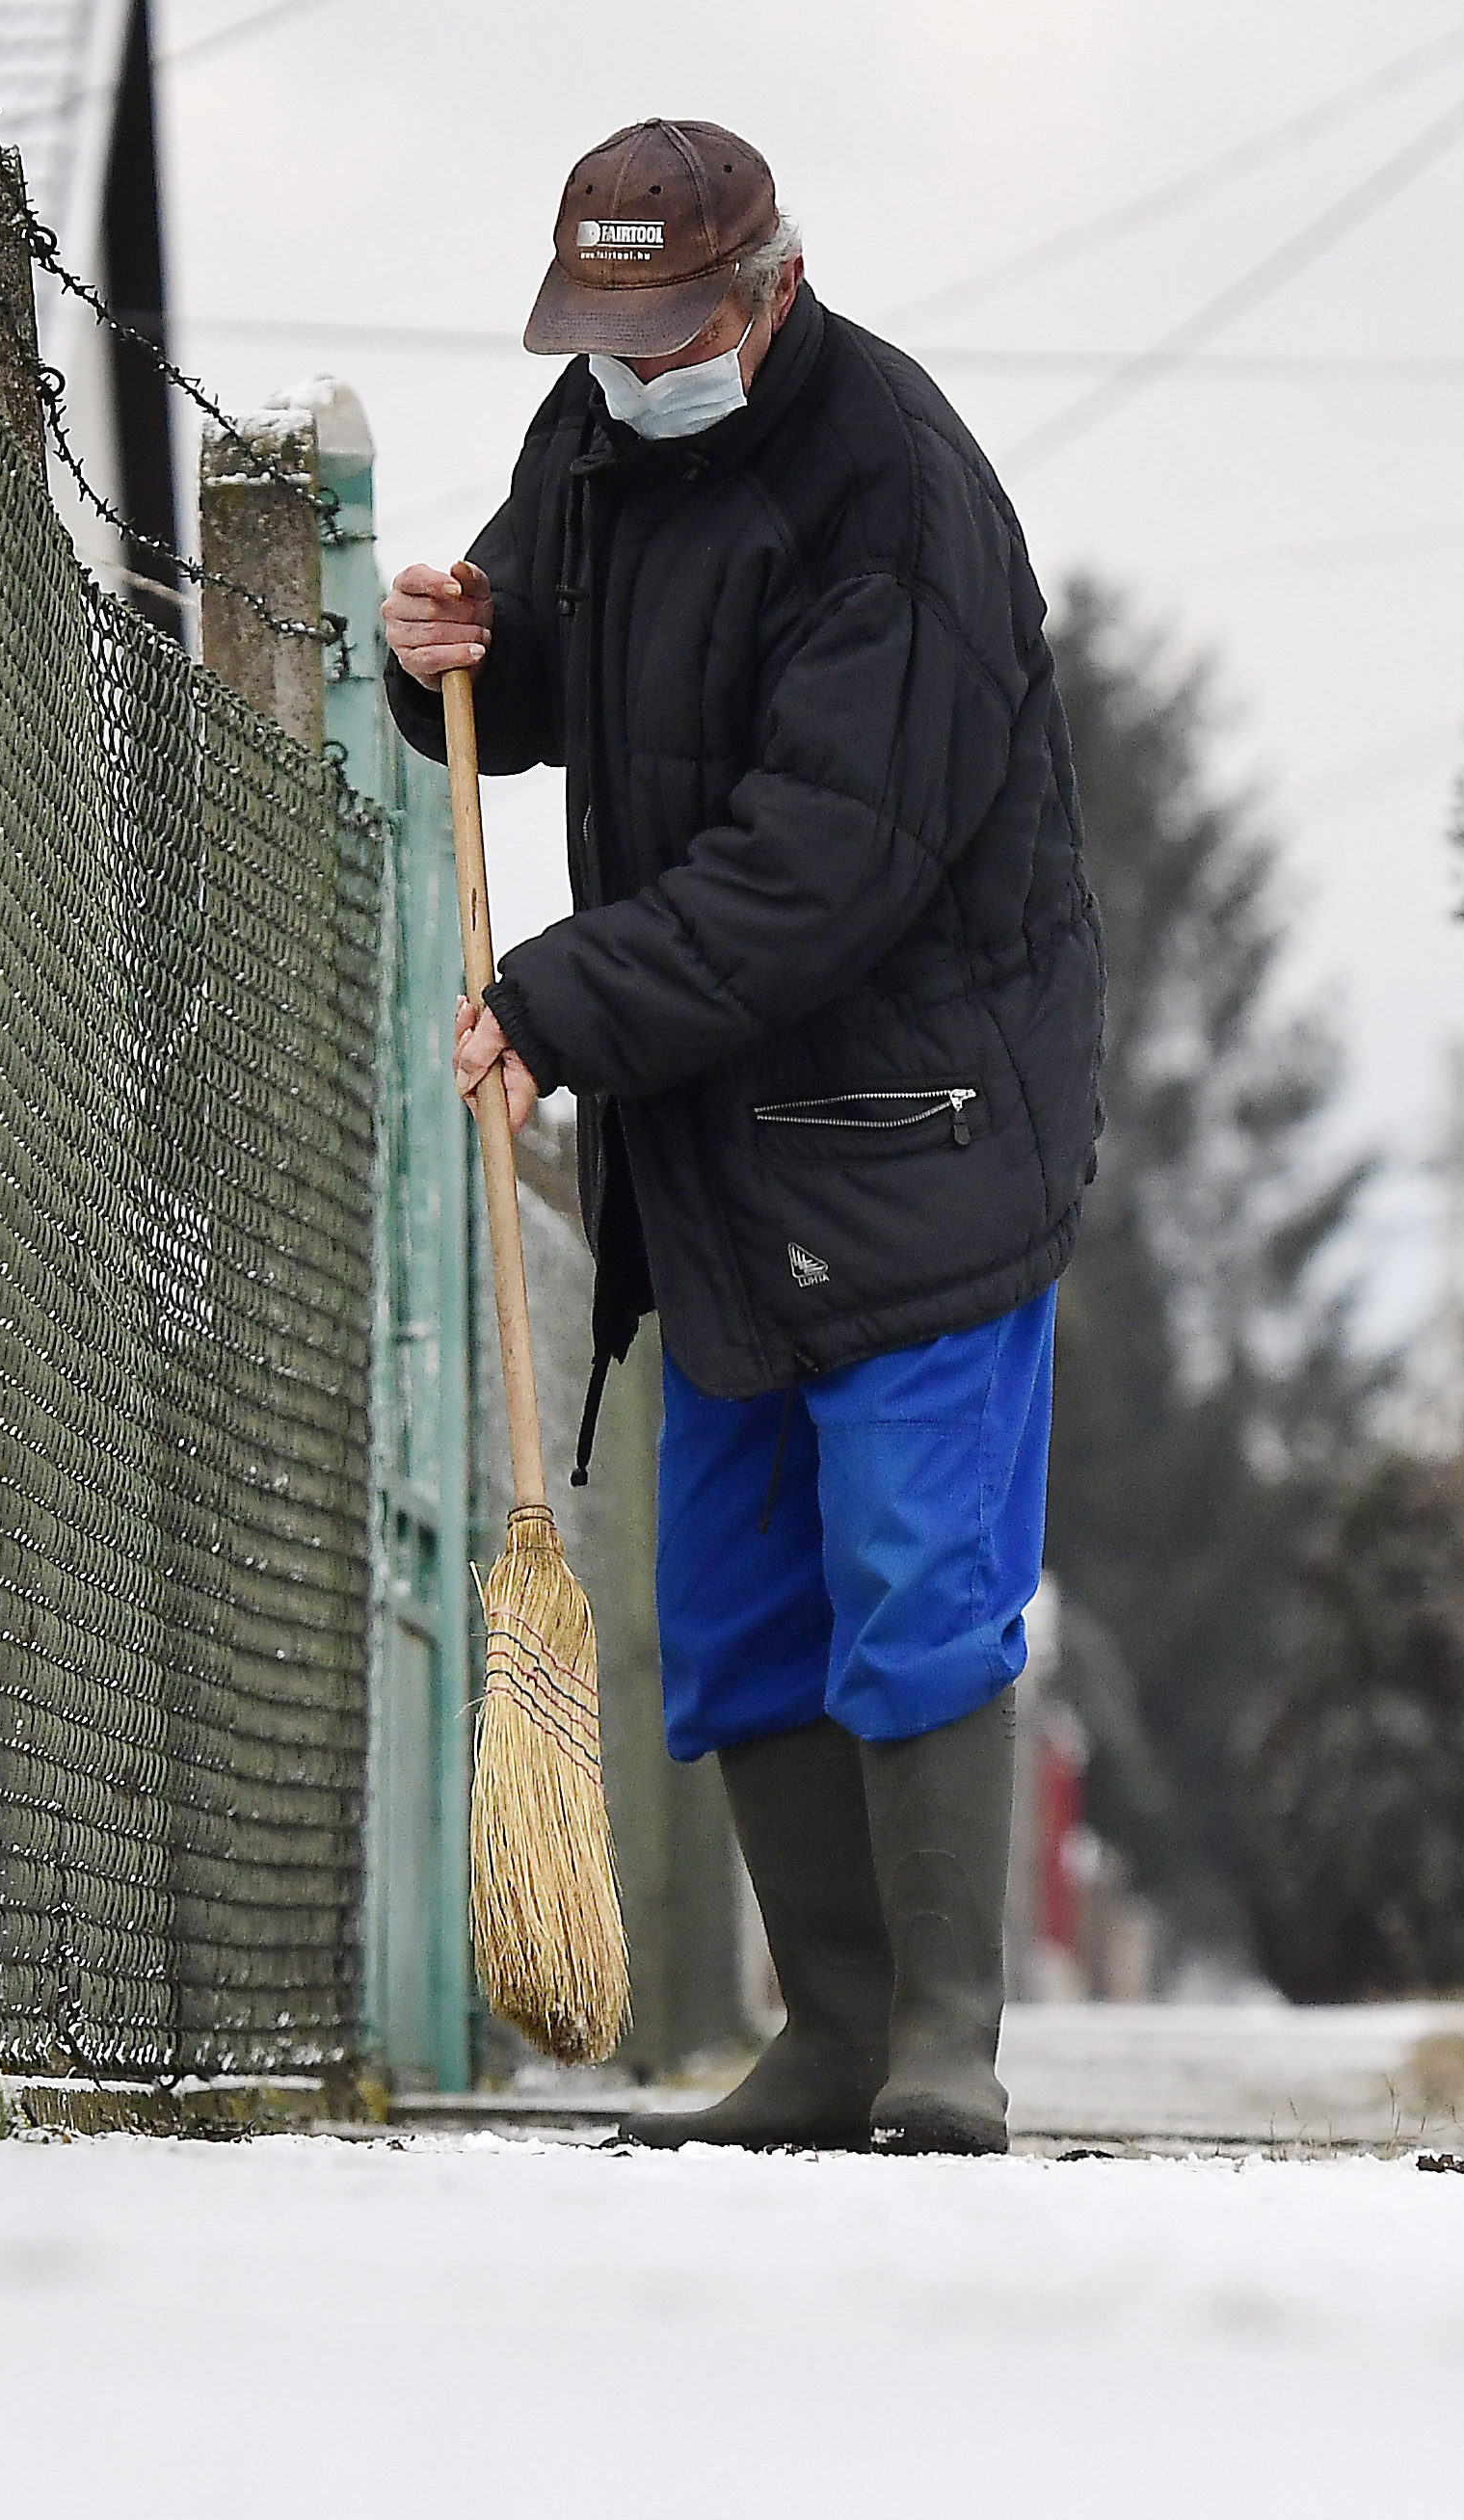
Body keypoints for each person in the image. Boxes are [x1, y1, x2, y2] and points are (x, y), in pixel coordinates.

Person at [386, 119, 1100, 2153]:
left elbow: (829, 857)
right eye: (599, 333)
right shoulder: (599, 434)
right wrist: (446, 645)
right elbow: (544, 667)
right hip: (716, 1136)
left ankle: (945, 2036)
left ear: (769, 288)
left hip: (920, 1125)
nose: (630, 366)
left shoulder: (898, 483)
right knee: (745, 1596)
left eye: (666, 328)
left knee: (915, 1569)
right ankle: (833, 2032)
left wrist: (559, 1004)